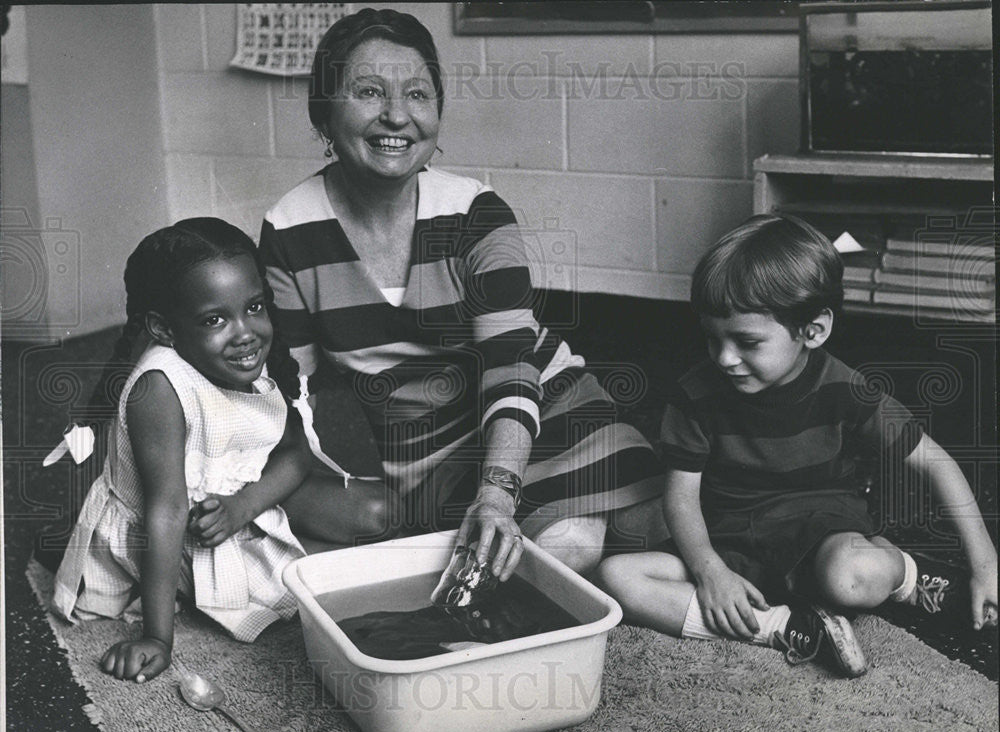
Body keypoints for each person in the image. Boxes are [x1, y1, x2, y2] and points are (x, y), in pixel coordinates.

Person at [260, 7, 665, 579]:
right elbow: (291, 392)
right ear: (325, 111)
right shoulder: (289, 229)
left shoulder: (478, 214)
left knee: (601, 537)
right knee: (547, 554)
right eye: (369, 92)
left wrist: (498, 493)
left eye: (418, 96)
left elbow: (511, 368)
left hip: (541, 408)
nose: (396, 116)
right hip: (428, 456)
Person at [596, 214, 999, 677]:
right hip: (732, 541)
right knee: (618, 579)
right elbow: (681, 498)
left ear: (813, 330)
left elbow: (935, 461)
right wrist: (711, 573)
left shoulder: (847, 389)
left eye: (747, 342)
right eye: (713, 338)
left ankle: (905, 574)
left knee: (854, 578)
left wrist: (986, 564)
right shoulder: (695, 396)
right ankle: (787, 627)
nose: (724, 358)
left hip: (819, 535)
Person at [52, 218, 312, 683]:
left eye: (254, 307)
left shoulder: (252, 352)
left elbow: (296, 455)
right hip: (179, 530)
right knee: (310, 582)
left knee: (374, 513)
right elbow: (167, 510)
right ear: (164, 329)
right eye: (214, 319)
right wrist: (157, 638)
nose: (245, 332)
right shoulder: (160, 387)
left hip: (230, 501)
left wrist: (241, 506)